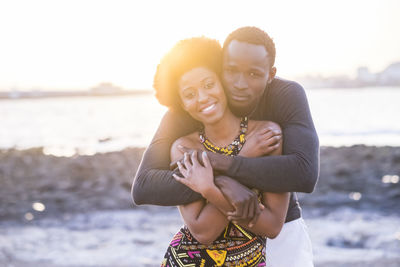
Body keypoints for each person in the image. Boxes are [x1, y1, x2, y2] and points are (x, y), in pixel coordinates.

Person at [133, 26, 319, 267]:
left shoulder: (280, 104)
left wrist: (217, 165)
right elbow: (144, 187)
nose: (240, 84)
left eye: (253, 74)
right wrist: (224, 181)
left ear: (270, 73)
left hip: (280, 235)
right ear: (222, 67)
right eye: (232, 71)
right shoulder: (186, 117)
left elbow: (303, 174)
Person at [155, 36, 289, 266]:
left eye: (209, 85)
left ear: (222, 82)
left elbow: (272, 226)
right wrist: (244, 157)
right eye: (189, 94)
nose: (203, 98)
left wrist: (210, 188)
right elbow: (202, 232)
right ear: (182, 104)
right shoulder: (184, 148)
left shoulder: (266, 135)